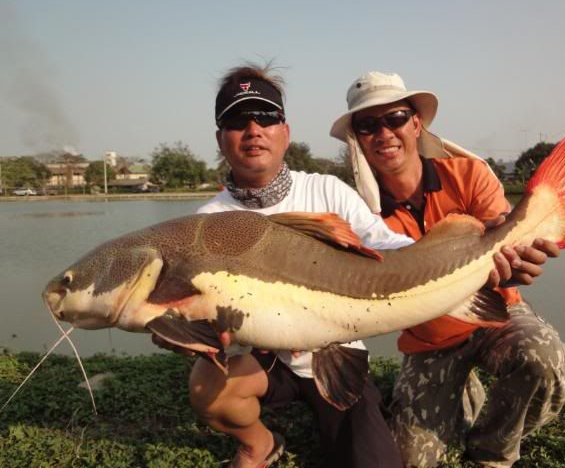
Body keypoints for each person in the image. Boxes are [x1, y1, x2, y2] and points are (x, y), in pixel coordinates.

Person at [154, 63, 415, 468]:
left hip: (336, 354)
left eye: (266, 117)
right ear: (220, 139)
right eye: (237, 121)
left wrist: (446, 255)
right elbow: (201, 314)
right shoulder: (208, 222)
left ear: (285, 132)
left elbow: (388, 245)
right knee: (207, 388)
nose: (253, 130)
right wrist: (181, 332)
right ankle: (258, 443)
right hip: (264, 358)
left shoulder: (327, 191)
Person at [330, 72, 565, 468]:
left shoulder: (469, 175)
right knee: (410, 460)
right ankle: (462, 390)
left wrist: (518, 261)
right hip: (431, 340)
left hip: (495, 315)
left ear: (416, 123)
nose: (384, 133)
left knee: (542, 357)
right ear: (357, 139)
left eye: (395, 118)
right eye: (368, 125)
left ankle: (491, 452)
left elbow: (504, 239)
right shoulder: (358, 214)